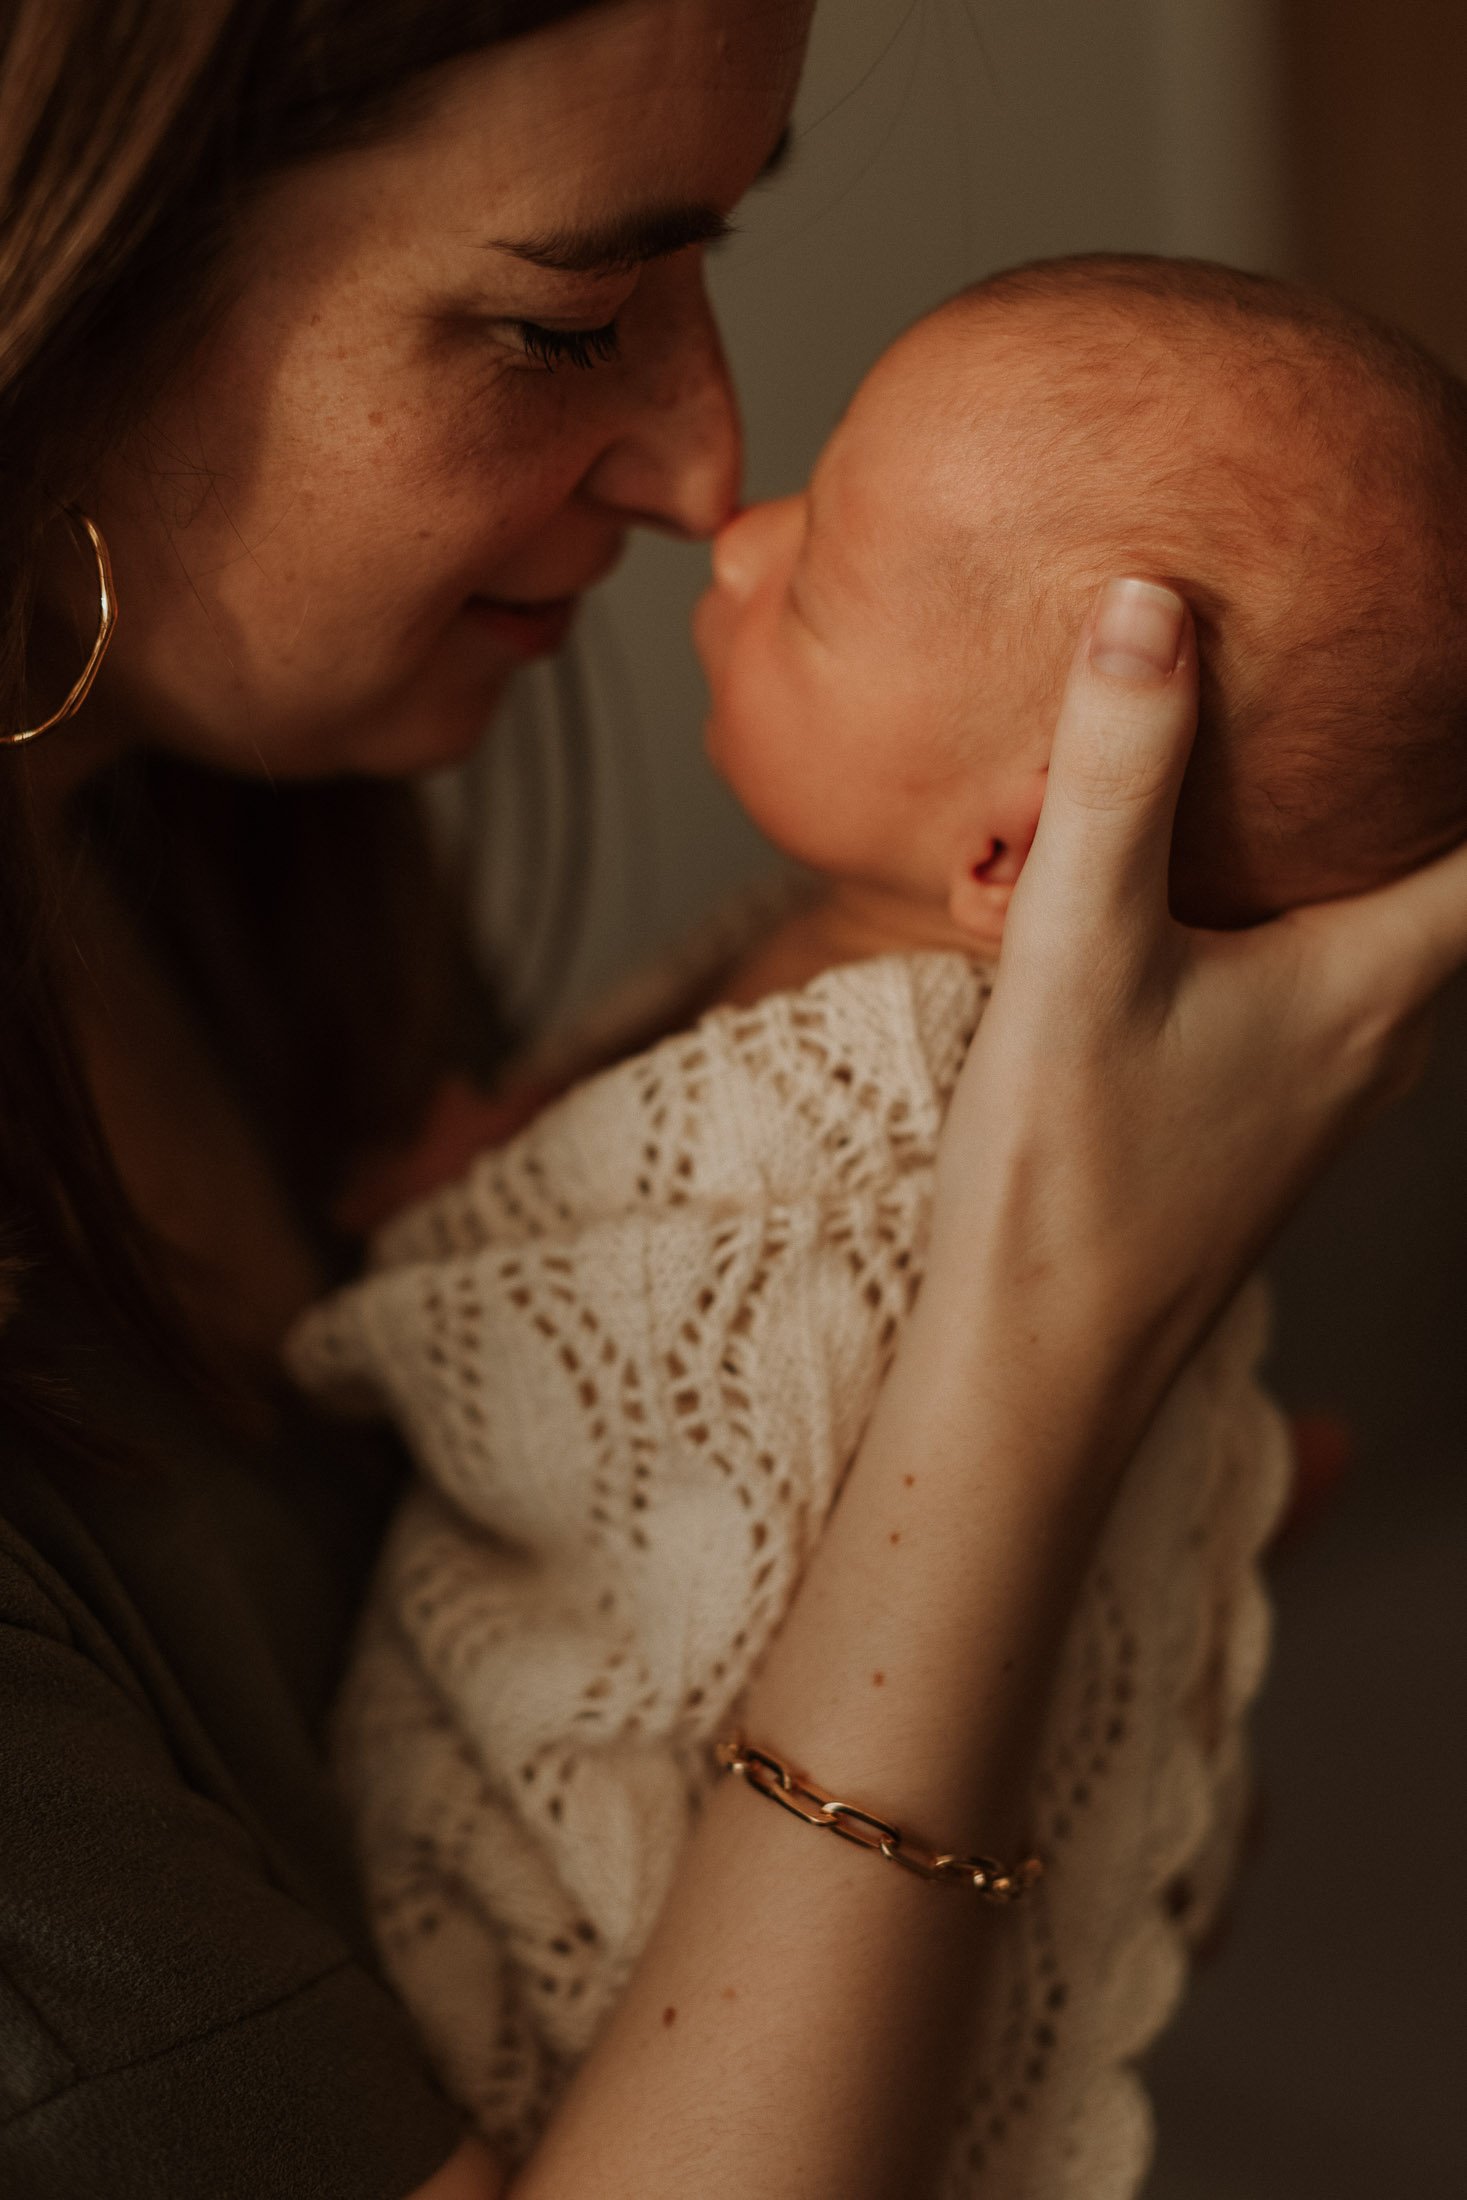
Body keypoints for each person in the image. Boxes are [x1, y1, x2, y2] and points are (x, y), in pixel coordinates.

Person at [2, 6, 1465, 2199]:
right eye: (560, 316)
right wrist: (1029, 1391)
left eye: (706, 266)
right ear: (70, 267)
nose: (708, 474)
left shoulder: (247, 815)